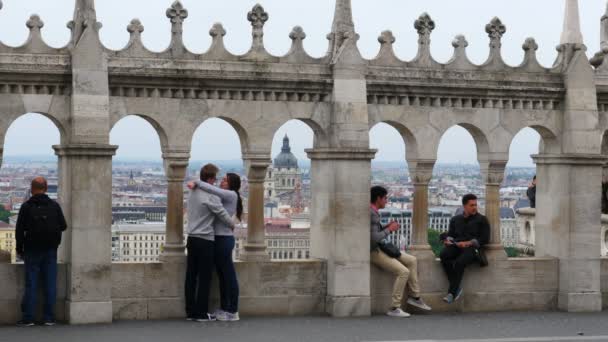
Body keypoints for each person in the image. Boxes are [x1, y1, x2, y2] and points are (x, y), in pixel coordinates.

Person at [369, 186, 431, 318]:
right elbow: (373, 239)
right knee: (403, 272)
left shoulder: (373, 211)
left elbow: (374, 231)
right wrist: (389, 229)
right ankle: (394, 307)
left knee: (412, 260)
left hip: (379, 247)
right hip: (373, 251)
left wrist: (385, 226)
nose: (386, 201)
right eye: (385, 198)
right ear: (378, 198)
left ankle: (415, 296)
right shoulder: (372, 213)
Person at [188, 172, 242, 322]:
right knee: (223, 276)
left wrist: (197, 182)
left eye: (225, 180)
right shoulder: (225, 196)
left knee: (229, 276)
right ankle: (226, 309)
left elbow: (213, 190)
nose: (221, 181)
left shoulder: (231, 195)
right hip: (219, 239)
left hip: (223, 240)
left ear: (231, 184)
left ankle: (233, 310)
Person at [15, 177, 67, 327]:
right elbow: (63, 226)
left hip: (32, 249)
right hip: (51, 249)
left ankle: (29, 318)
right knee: (50, 283)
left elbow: (19, 231)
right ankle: (49, 317)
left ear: (32, 189)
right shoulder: (54, 206)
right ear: (46, 188)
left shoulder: (26, 206)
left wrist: (20, 249)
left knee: (31, 283)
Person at [440, 194, 490, 304]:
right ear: (464, 206)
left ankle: (451, 293)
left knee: (459, 263)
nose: (474, 207)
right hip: (457, 246)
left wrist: (468, 243)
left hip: (473, 249)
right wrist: (448, 240)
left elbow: (485, 239)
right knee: (444, 255)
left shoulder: (482, 220)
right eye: (471, 205)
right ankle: (456, 287)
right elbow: (451, 235)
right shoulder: (455, 219)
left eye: (475, 205)